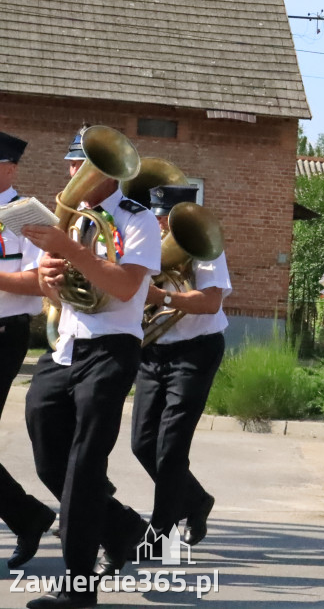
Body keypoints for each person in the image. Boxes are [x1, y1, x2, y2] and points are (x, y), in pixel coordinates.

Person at [20, 127, 162, 608]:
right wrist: (48, 276)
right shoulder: (73, 221)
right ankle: (122, 526)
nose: (71, 173)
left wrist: (73, 250)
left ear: (108, 174)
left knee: (84, 465)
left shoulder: (136, 220)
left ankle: (78, 585)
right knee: (45, 449)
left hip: (112, 347)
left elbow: (124, 287)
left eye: (81, 165)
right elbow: (53, 288)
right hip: (66, 347)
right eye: (71, 164)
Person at [129, 185, 230, 554]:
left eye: (164, 219)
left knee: (170, 448)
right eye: (155, 217)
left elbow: (211, 301)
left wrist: (162, 297)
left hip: (195, 351)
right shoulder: (144, 244)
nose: (158, 225)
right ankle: (196, 500)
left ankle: (161, 534)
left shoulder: (202, 246)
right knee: (142, 443)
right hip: (154, 351)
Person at [0, 133, 56, 570]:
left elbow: (40, 281)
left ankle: (28, 516)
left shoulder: (27, 216)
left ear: (11, 168)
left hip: (4, 333)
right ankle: (29, 515)